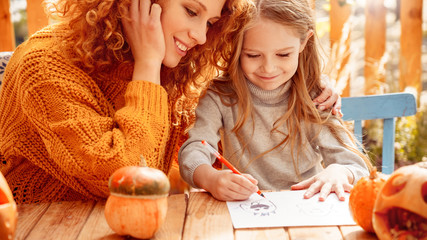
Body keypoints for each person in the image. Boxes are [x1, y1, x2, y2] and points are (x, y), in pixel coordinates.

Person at [0, 0, 340, 204]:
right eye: (191, 11)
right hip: (44, 227)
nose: (201, 36)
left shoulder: (165, 67)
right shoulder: (43, 66)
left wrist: (301, 82)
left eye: (210, 22)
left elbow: (215, 124)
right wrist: (147, 65)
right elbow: (123, 176)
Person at [179, 0, 372, 202]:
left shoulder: (316, 97)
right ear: (236, 47)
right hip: (247, 211)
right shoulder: (220, 95)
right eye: (253, 55)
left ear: (304, 42)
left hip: (308, 211)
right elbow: (194, 150)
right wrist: (210, 178)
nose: (268, 68)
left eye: (283, 54)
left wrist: (339, 172)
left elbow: (356, 167)